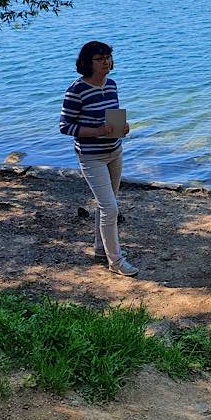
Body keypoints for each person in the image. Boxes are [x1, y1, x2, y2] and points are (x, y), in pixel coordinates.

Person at [59, 41, 138, 277]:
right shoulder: (76, 90)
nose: (106, 62)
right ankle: (116, 261)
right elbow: (65, 126)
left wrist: (122, 128)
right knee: (110, 208)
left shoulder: (111, 85)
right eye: (100, 58)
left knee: (107, 205)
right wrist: (97, 132)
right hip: (91, 156)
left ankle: (100, 249)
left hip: (115, 151)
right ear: (87, 63)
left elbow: (111, 119)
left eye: (108, 57)